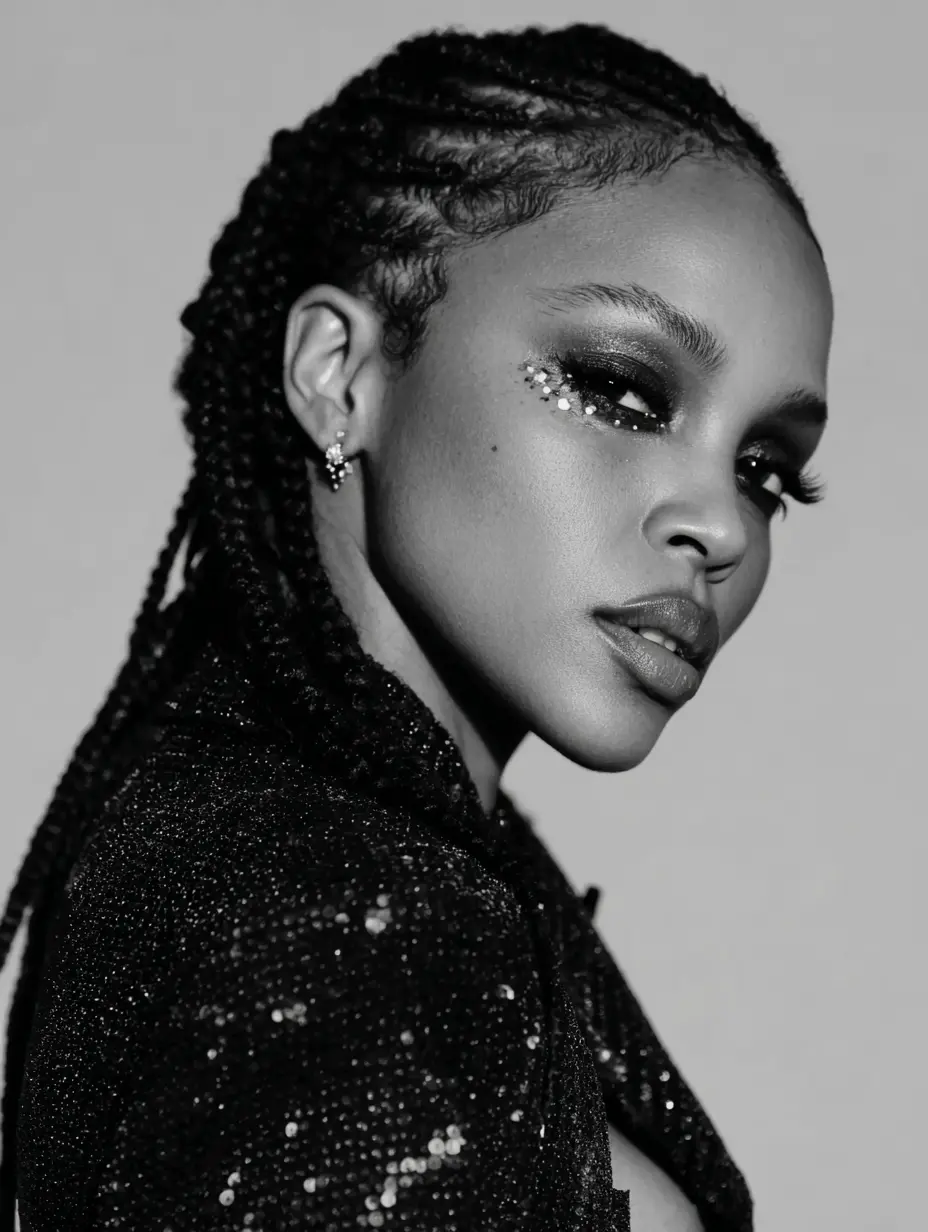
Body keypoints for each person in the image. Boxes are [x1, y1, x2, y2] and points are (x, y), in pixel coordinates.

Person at [0, 21, 831, 1232]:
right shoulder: (339, 921)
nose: (720, 523)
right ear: (339, 373)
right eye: (620, 388)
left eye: (764, 468)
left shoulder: (235, 830)